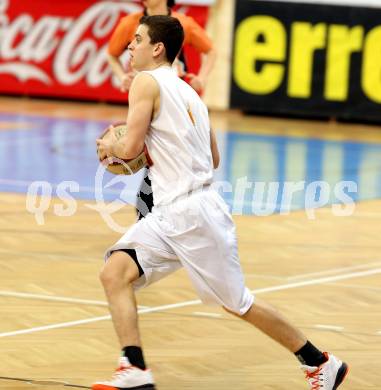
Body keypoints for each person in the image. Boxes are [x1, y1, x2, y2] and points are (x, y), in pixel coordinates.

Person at [95, 16, 348, 390]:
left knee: (238, 303)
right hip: (175, 211)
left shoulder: (145, 83)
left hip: (191, 214)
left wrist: (109, 149)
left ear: (157, 48)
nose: (130, 47)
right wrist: (160, 153)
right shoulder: (191, 93)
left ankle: (320, 362)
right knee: (114, 272)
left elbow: (129, 149)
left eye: (137, 39)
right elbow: (213, 157)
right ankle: (133, 367)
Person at [108, 0, 216, 220]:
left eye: (138, 41)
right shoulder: (131, 23)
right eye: (135, 40)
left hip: (175, 100)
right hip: (154, 98)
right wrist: (122, 77)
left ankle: (155, 222)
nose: (132, 47)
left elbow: (211, 51)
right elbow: (111, 53)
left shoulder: (182, 24)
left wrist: (201, 80)